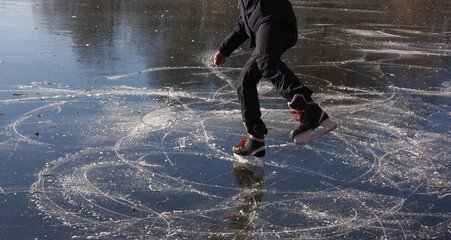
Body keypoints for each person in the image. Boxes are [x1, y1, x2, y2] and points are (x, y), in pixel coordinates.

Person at [214, 0, 337, 159]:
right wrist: (224, 50)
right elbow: (243, 25)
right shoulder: (244, 3)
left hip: (274, 18)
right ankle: (255, 138)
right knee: (245, 80)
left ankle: (310, 110)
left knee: (266, 61)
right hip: (265, 24)